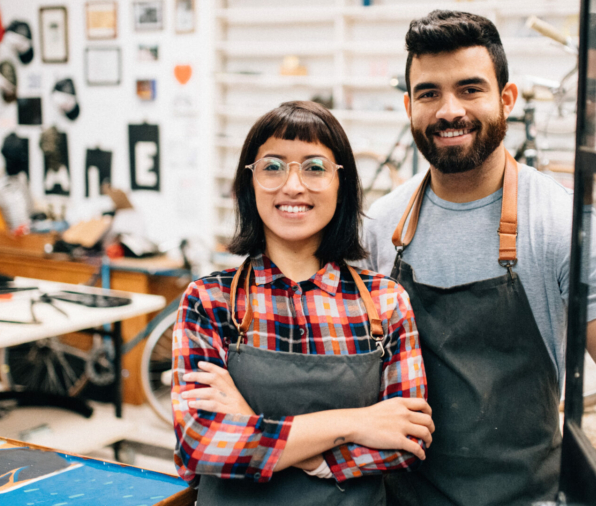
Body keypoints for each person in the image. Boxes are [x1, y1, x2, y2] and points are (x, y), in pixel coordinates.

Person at [362, 10, 596, 506]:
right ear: (408, 107)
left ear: (506, 99)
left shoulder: (561, 223)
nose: (448, 111)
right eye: (429, 93)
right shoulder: (382, 225)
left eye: (469, 89)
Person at [172, 101, 433, 505]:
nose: (293, 186)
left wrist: (248, 424)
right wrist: (358, 423)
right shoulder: (209, 301)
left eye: (314, 167)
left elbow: (406, 442)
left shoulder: (385, 302)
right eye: (273, 166)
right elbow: (200, 446)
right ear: (249, 184)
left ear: (341, 185)